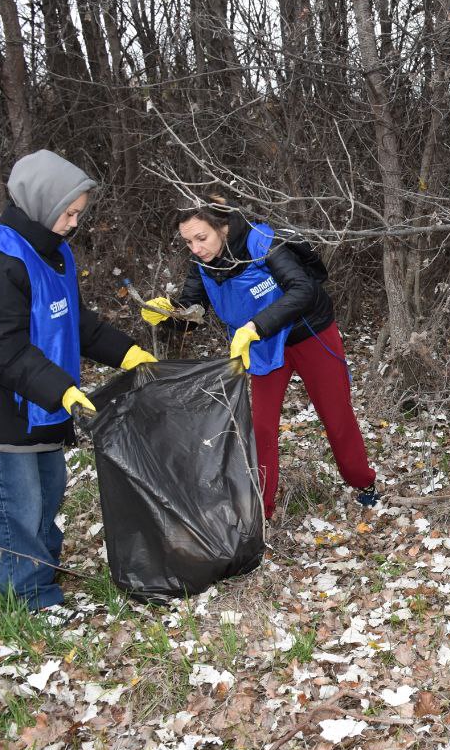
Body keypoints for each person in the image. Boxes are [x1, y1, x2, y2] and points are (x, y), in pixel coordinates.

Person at [0, 150, 158, 617]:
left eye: (79, 213)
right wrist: (61, 389)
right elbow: (2, 351)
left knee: (47, 494)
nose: (75, 223)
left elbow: (77, 323)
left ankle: (42, 574)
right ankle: (31, 601)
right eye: (70, 212)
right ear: (42, 202)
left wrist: (128, 353)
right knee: (13, 510)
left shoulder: (54, 251)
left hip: (40, 406)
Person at [141, 197, 377, 519]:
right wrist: (168, 315)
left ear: (223, 227)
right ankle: (261, 512)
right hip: (263, 345)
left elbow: (303, 289)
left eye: (201, 238)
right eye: (188, 242)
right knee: (262, 428)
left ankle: (363, 482)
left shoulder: (262, 241)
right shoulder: (202, 263)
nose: (195, 249)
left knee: (336, 415)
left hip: (309, 333)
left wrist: (255, 327)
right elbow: (193, 312)